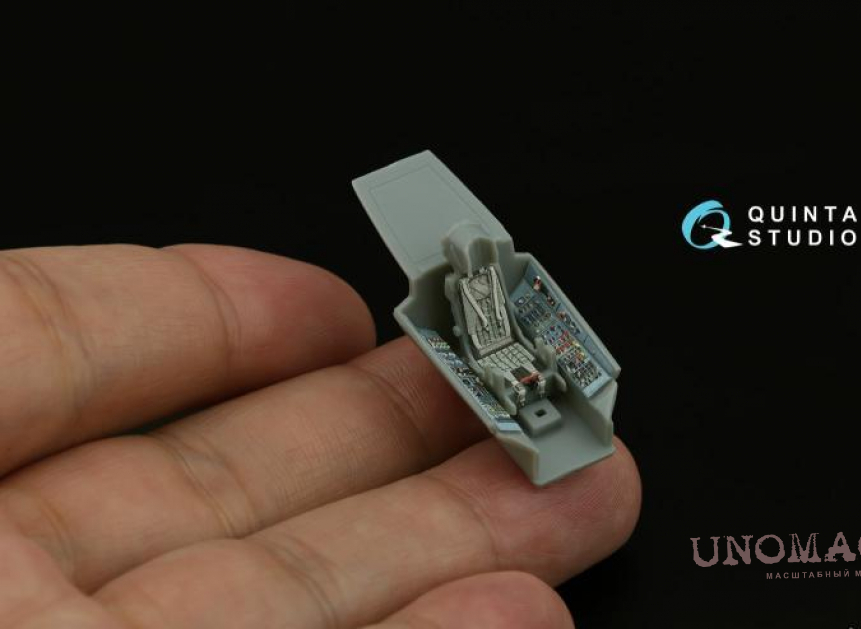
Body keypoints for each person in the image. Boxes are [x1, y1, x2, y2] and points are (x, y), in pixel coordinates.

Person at [0, 244, 641, 628]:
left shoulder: (511, 320)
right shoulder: (465, 312)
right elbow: (479, 341)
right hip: (491, 354)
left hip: (507, 355)